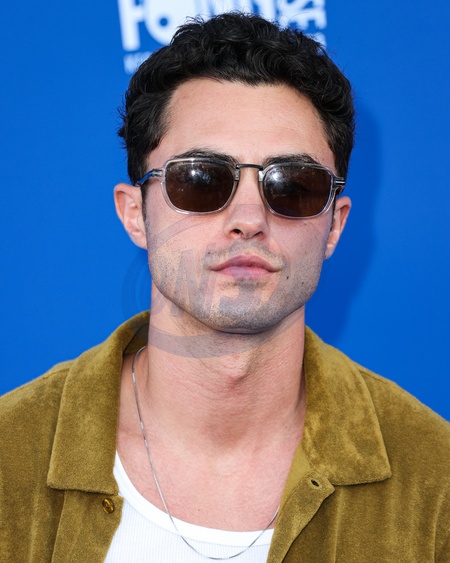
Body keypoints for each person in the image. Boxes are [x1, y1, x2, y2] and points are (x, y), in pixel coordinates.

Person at [1, 12, 449, 563]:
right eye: (201, 179)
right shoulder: (9, 455)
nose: (249, 219)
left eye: (294, 185)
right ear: (135, 213)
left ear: (334, 225)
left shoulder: (435, 479)